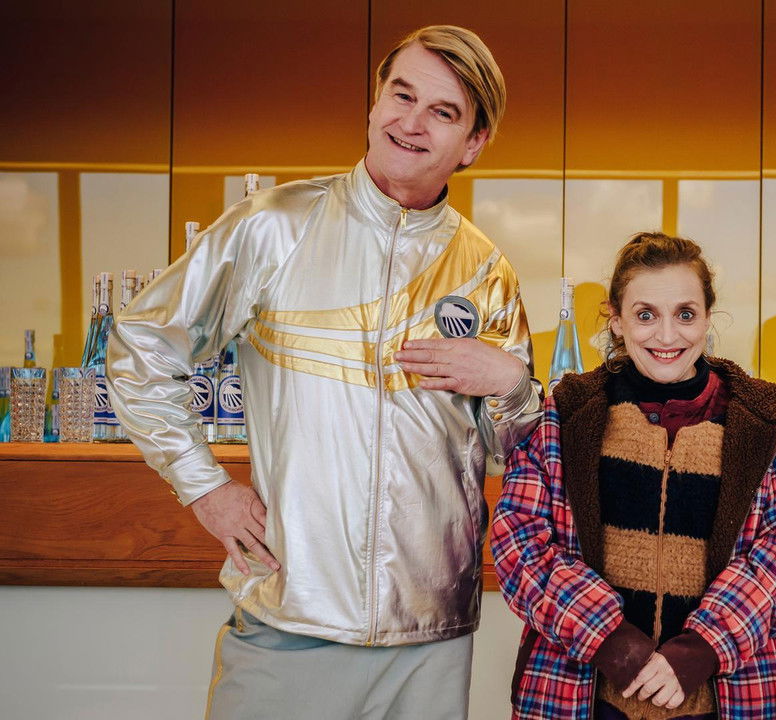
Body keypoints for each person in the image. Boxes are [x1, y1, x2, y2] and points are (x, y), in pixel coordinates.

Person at [106, 25, 541, 719]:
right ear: (374, 102)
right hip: (288, 614)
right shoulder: (272, 226)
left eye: (443, 111)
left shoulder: (487, 271)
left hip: (429, 636)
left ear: (473, 143)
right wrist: (204, 487)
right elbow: (140, 344)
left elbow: (517, 452)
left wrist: (512, 386)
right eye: (402, 96)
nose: (411, 122)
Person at [491, 232, 776, 720]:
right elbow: (520, 542)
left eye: (685, 314)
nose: (666, 336)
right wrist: (611, 640)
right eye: (645, 315)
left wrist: (699, 650)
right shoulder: (565, 416)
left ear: (707, 317)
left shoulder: (769, 423)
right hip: (582, 698)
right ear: (616, 321)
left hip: (728, 699)